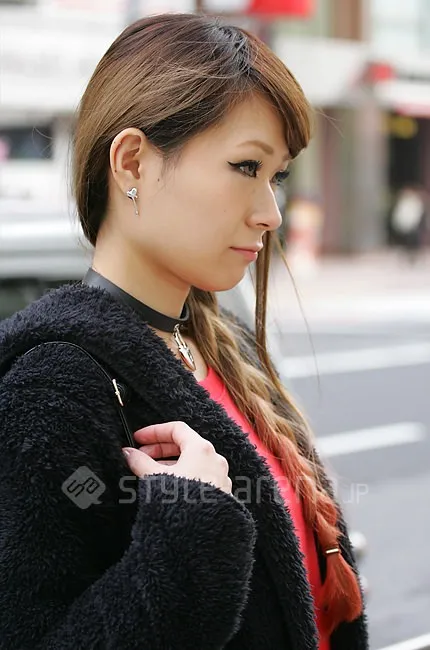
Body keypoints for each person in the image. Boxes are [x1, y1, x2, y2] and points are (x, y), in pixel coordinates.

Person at [0, 13, 368, 650]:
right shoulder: (53, 388)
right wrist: (190, 529)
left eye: (277, 176)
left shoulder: (226, 348)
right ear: (133, 163)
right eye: (246, 166)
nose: (271, 213)